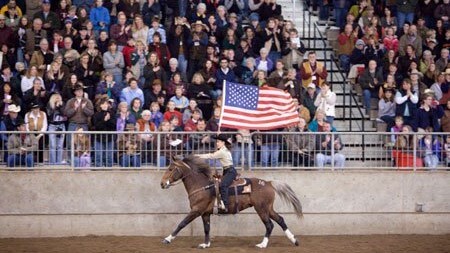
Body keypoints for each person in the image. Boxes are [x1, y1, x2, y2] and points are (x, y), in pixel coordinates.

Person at [196, 134, 236, 213]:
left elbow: (211, 156)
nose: (217, 143)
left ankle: (225, 205)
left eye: (218, 142)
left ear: (223, 143)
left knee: (223, 185)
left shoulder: (222, 152)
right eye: (217, 142)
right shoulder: (224, 150)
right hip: (227, 171)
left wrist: (197, 156)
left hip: (230, 171)